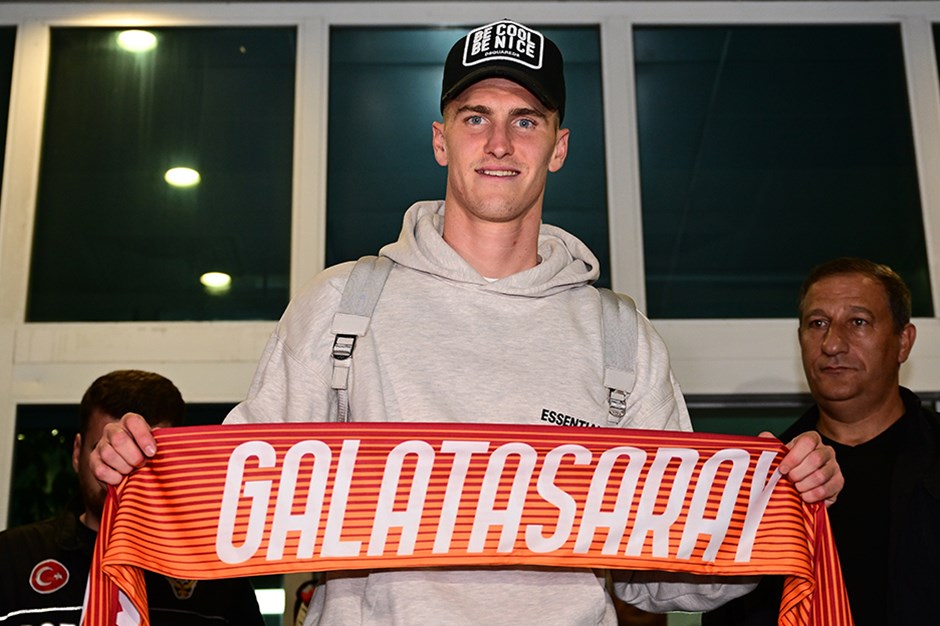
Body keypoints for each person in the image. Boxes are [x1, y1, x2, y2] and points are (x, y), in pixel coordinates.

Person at [90, 20, 843, 625]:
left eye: (526, 120)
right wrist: (143, 469)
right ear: (440, 138)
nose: (499, 143)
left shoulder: (620, 338)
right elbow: (237, 499)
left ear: (559, 148)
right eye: (475, 116)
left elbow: (666, 575)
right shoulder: (346, 304)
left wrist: (777, 503)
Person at [703, 257, 940, 626]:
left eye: (857, 322)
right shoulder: (759, 481)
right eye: (818, 324)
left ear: (903, 342)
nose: (832, 344)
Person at [0, 370, 266, 626]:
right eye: (104, 451)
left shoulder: (215, 575)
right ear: (77, 453)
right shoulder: (11, 555)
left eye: (144, 456)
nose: (122, 468)